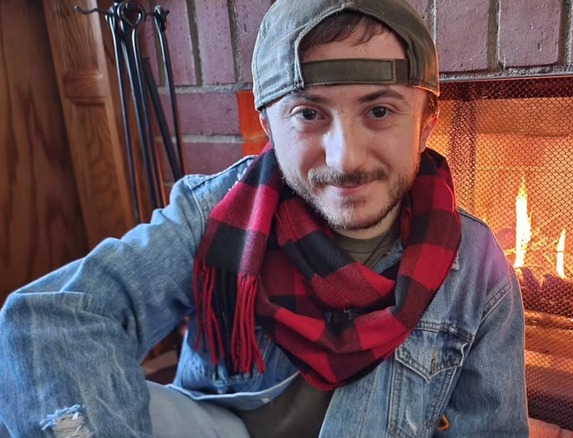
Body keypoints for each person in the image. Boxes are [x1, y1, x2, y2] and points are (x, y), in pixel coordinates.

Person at [0, 0, 528, 436]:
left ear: (427, 123)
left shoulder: (478, 268)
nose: (345, 159)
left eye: (380, 111)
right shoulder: (214, 214)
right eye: (308, 114)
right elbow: (48, 320)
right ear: (268, 126)